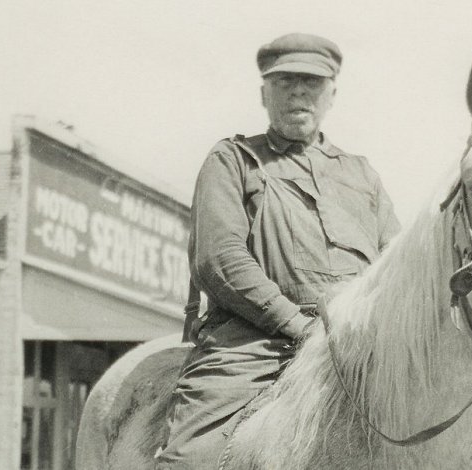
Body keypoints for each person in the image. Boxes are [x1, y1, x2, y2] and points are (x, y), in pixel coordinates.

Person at [155, 33, 400, 469]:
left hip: (358, 345)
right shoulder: (234, 160)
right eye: (285, 81)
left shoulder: (362, 174)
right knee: (190, 459)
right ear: (264, 93)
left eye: (312, 82)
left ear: (332, 95)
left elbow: (395, 266)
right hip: (253, 345)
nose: (299, 91)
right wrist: (297, 325)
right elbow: (219, 258)